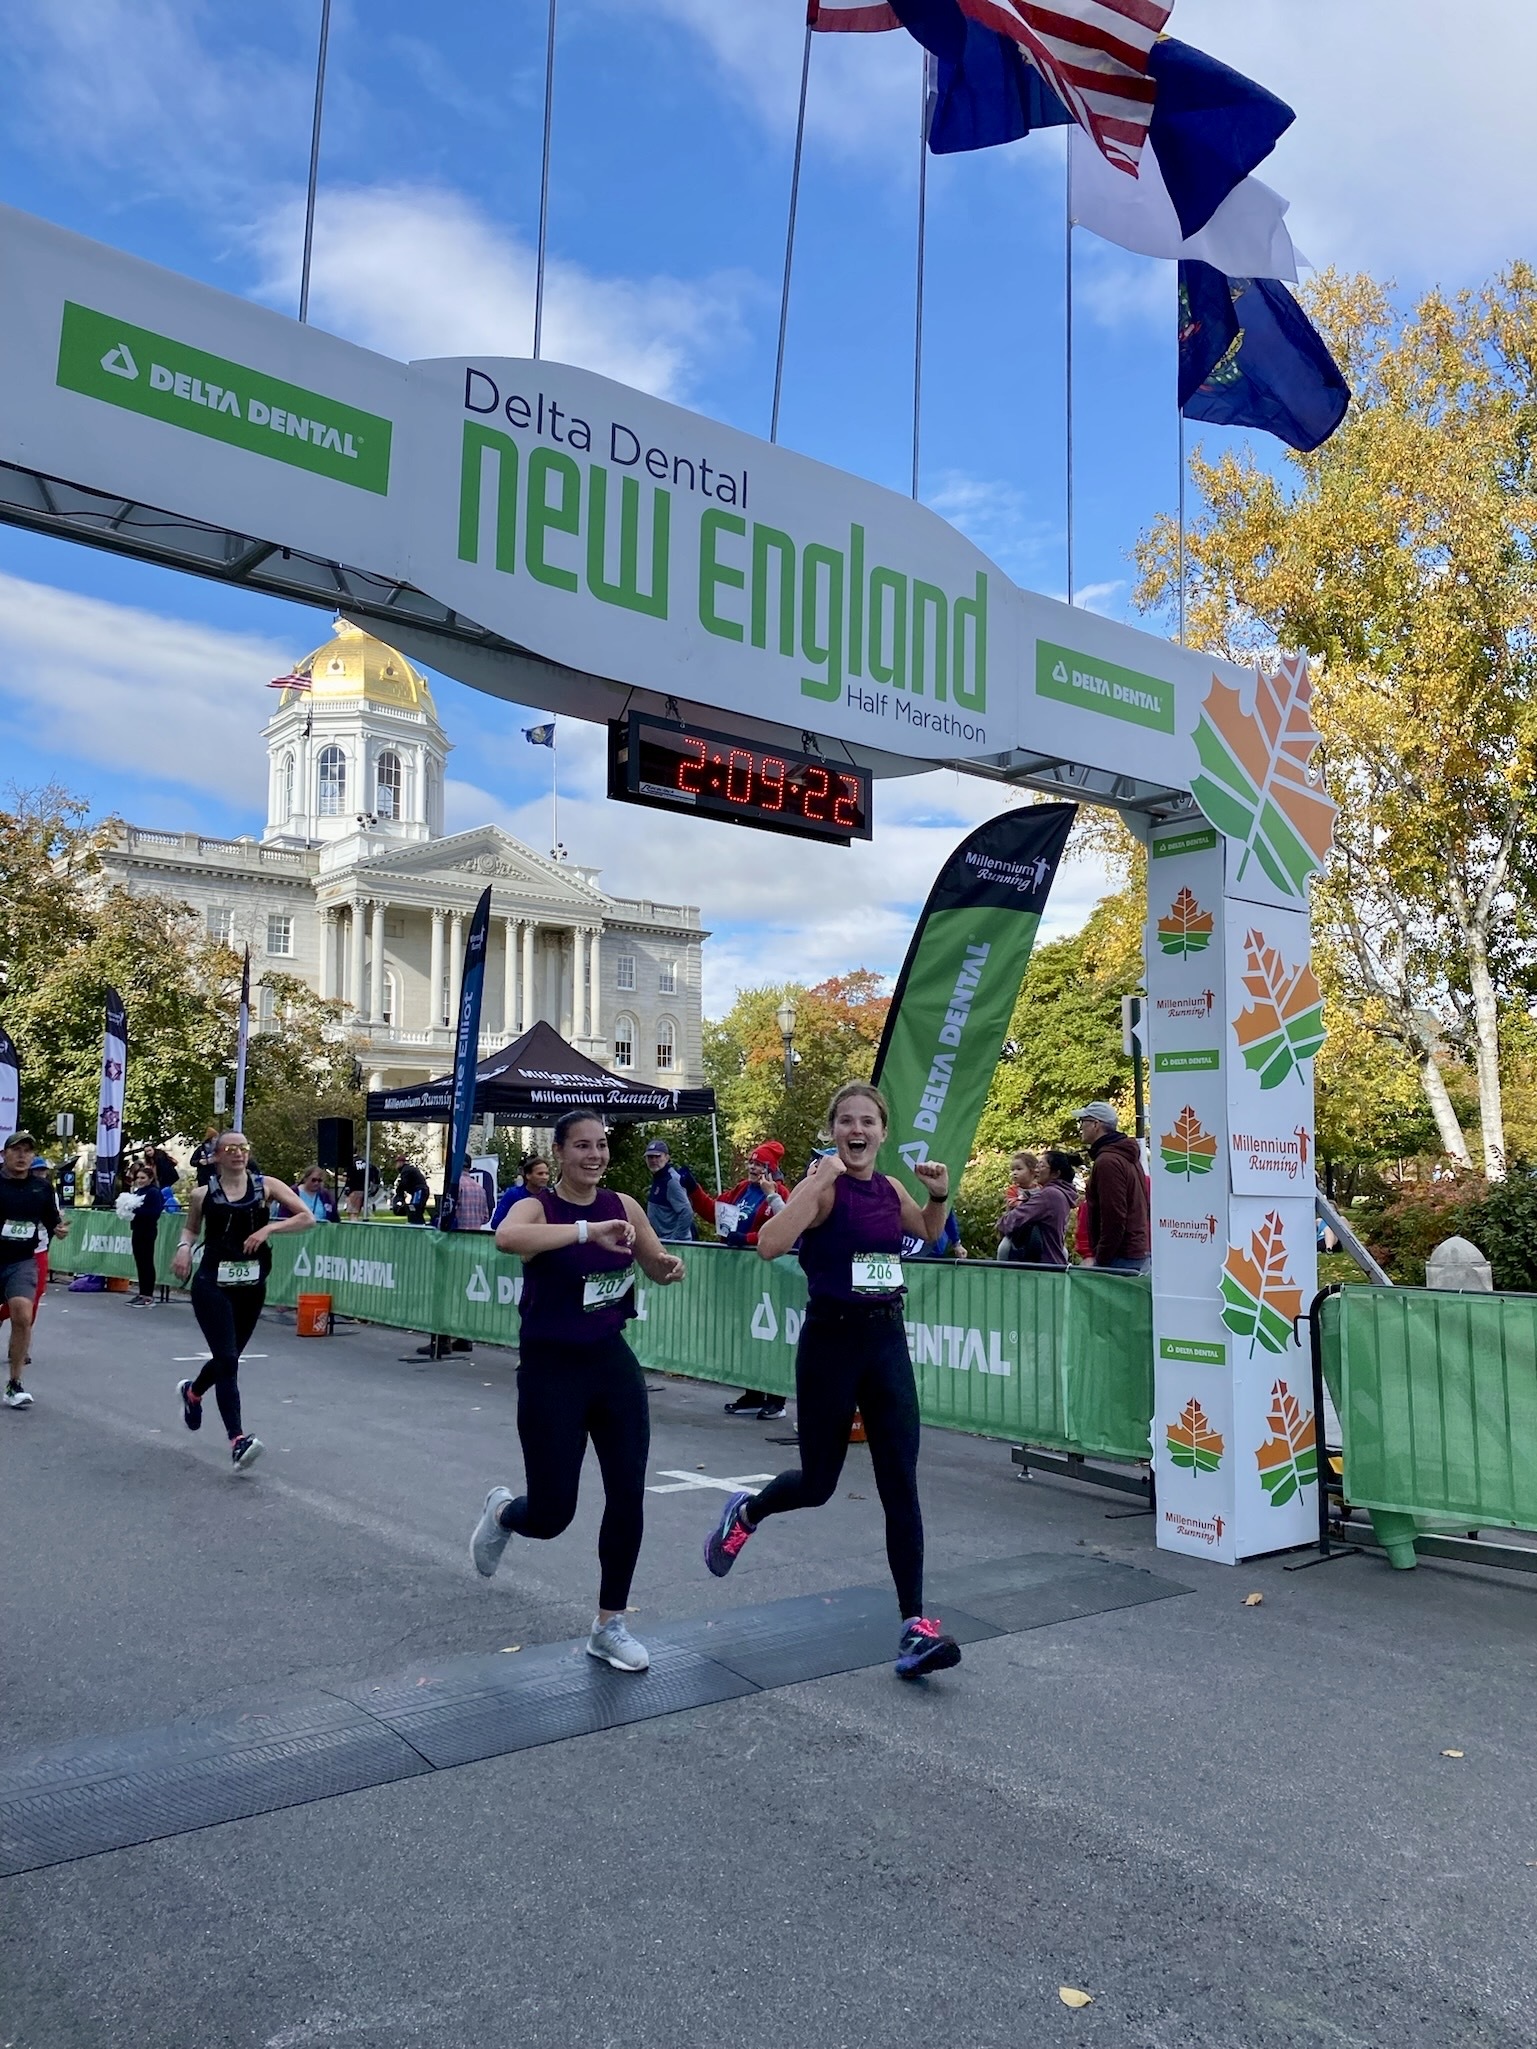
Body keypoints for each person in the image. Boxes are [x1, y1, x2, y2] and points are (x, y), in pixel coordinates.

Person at [702, 1084, 963, 1681]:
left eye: (868, 1120)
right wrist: (814, 1184)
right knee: (819, 1482)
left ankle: (915, 1627)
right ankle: (747, 1513)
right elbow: (769, 1246)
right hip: (831, 1342)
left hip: (885, 1338)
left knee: (901, 1482)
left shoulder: (890, 1188)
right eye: (846, 1120)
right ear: (833, 1130)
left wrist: (940, 1194)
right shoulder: (822, 1190)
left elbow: (926, 1231)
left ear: (882, 1131)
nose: (857, 1129)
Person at [469, 1110, 686, 1674]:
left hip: (611, 1365)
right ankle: (504, 1515)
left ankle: (609, 1623)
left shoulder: (624, 1206)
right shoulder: (540, 1206)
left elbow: (655, 1265)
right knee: (552, 1512)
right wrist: (587, 1232)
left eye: (602, 1145)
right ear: (560, 1153)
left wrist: (666, 1266)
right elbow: (507, 1239)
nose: (595, 1155)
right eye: (582, 1146)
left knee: (627, 1495)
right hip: (551, 1371)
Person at [171, 1132, 315, 1469]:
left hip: (251, 1283)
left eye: (243, 1148)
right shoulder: (202, 1194)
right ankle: (238, 1440)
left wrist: (267, 1230)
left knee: (229, 1357)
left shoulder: (266, 1186)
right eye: (230, 1149)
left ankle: (193, 1392)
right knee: (227, 1358)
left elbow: (306, 1217)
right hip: (212, 1283)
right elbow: (191, 1229)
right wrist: (183, 1248)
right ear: (217, 1156)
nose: (238, 1154)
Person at [703, 1142, 791, 1420]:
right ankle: (753, 1393)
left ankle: (777, 1397)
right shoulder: (742, 1189)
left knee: (771, 1335)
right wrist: (692, 1190)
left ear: (770, 1169)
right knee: (747, 1333)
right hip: (743, 1275)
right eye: (751, 1163)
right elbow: (716, 1212)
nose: (753, 1167)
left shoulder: (780, 1193)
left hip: (772, 1274)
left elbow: (784, 1228)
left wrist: (747, 1240)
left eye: (759, 1164)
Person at [0, 1132, 69, 1409]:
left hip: (22, 1261)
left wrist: (59, 1228)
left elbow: (53, 1220)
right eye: (16, 1150)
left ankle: (15, 1384)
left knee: (22, 1314)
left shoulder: (41, 1189)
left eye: (27, 1151)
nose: (22, 1156)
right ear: (5, 1155)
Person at [1075, 1103, 1151, 1274]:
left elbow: (1114, 1215)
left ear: (1096, 1124)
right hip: (1133, 1250)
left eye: (1082, 1121)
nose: (1080, 1127)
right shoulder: (1125, 1156)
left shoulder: (1107, 1161)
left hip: (1119, 1256)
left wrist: (1101, 1257)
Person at [999, 1150, 1081, 1269]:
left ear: (1055, 1174)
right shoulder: (1062, 1194)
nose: (1037, 1170)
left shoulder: (1049, 1195)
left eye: (1041, 1166)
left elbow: (1014, 1219)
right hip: (1054, 1261)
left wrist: (1002, 1223)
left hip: (1041, 1265)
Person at [125, 1160, 167, 1302]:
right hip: (137, 1229)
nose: (140, 1181)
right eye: (138, 1178)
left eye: (143, 1178)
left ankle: (148, 1294)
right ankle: (142, 1293)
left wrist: (135, 1211)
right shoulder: (137, 1192)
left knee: (147, 1262)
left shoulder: (154, 1192)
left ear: (150, 1179)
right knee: (140, 1262)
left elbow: (155, 1212)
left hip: (148, 1230)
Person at [642, 1138, 696, 1243]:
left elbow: (687, 1212)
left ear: (667, 1158)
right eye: (650, 1157)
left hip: (675, 1247)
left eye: (657, 1156)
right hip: (663, 1243)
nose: (653, 1160)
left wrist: (675, 1241)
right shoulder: (659, 1179)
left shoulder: (671, 1181)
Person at [995, 1151, 1041, 1261]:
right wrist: (1025, 1203)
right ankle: (1001, 1269)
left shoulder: (1040, 1189)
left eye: (1019, 1169)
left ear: (1032, 1171)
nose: (1014, 1173)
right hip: (1016, 1229)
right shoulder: (1013, 1190)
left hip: (1037, 1229)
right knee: (1003, 1248)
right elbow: (1012, 1202)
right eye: (1013, 1170)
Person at [490, 1155, 549, 1232]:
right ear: (528, 1175)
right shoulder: (513, 1194)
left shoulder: (550, 1196)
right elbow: (496, 1223)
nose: (545, 1177)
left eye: (547, 1173)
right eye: (540, 1174)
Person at [392, 1154, 429, 1223]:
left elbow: (403, 1183)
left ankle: (416, 1223)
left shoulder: (406, 1170)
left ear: (401, 1163)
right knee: (414, 1208)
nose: (396, 1165)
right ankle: (416, 1222)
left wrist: (399, 1192)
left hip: (419, 1191)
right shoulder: (408, 1169)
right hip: (420, 1190)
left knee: (414, 1207)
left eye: (397, 1162)